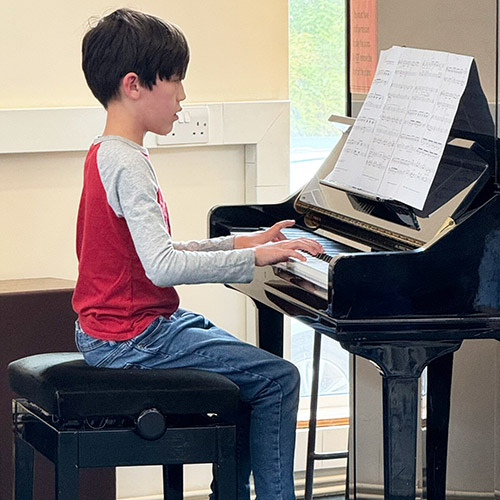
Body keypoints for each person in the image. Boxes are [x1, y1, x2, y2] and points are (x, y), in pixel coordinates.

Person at [73, 8, 323, 500]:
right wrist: (254, 260)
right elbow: (163, 266)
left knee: (252, 372)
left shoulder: (108, 152)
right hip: (133, 338)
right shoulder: (129, 164)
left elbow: (154, 253)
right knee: (278, 378)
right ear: (134, 85)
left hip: (117, 329)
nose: (183, 96)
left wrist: (240, 242)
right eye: (176, 80)